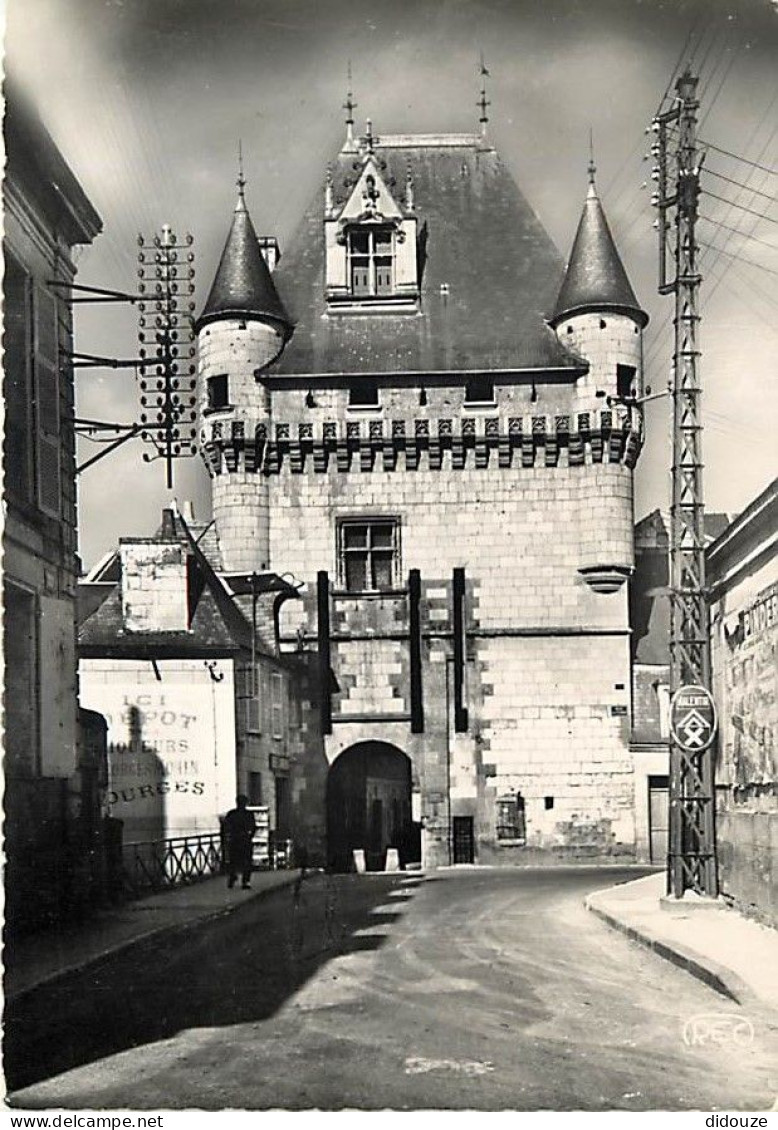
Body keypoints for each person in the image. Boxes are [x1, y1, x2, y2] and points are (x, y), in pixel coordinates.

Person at [223, 794, 256, 889]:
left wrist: (227, 837)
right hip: (245, 840)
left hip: (234, 839)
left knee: (233, 860)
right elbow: (253, 827)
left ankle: (232, 877)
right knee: (247, 861)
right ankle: (245, 881)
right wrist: (250, 836)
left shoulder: (231, 814)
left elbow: (226, 826)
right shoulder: (249, 814)